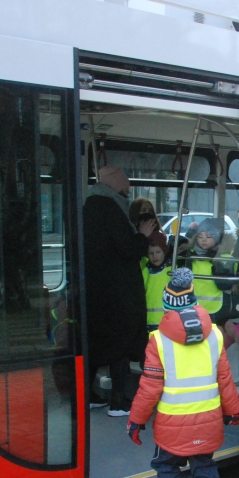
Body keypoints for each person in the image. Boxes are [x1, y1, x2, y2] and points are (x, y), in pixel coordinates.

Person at [125, 268, 239, 478]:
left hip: (173, 423)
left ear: (168, 305)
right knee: (204, 465)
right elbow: (225, 380)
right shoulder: (214, 334)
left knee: (166, 466)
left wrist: (136, 420)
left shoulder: (158, 340)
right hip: (209, 421)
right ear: (193, 302)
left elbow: (150, 388)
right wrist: (235, 411)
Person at [84, 166, 156, 415]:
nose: (127, 187)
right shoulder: (110, 207)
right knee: (120, 346)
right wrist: (143, 236)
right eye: (125, 181)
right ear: (113, 181)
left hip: (95, 290)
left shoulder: (87, 206)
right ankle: (119, 400)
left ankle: (87, 395)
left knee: (95, 344)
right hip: (117, 292)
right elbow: (127, 249)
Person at [190, 217, 237, 325]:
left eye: (209, 236)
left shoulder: (225, 258)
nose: (204, 239)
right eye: (200, 236)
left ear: (217, 237)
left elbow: (228, 282)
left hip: (218, 307)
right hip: (193, 307)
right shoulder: (190, 256)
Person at [142, 231, 170, 331]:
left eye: (158, 252)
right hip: (147, 321)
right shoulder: (145, 272)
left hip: (166, 322)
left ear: (164, 251)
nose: (155, 256)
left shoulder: (171, 271)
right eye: (151, 253)